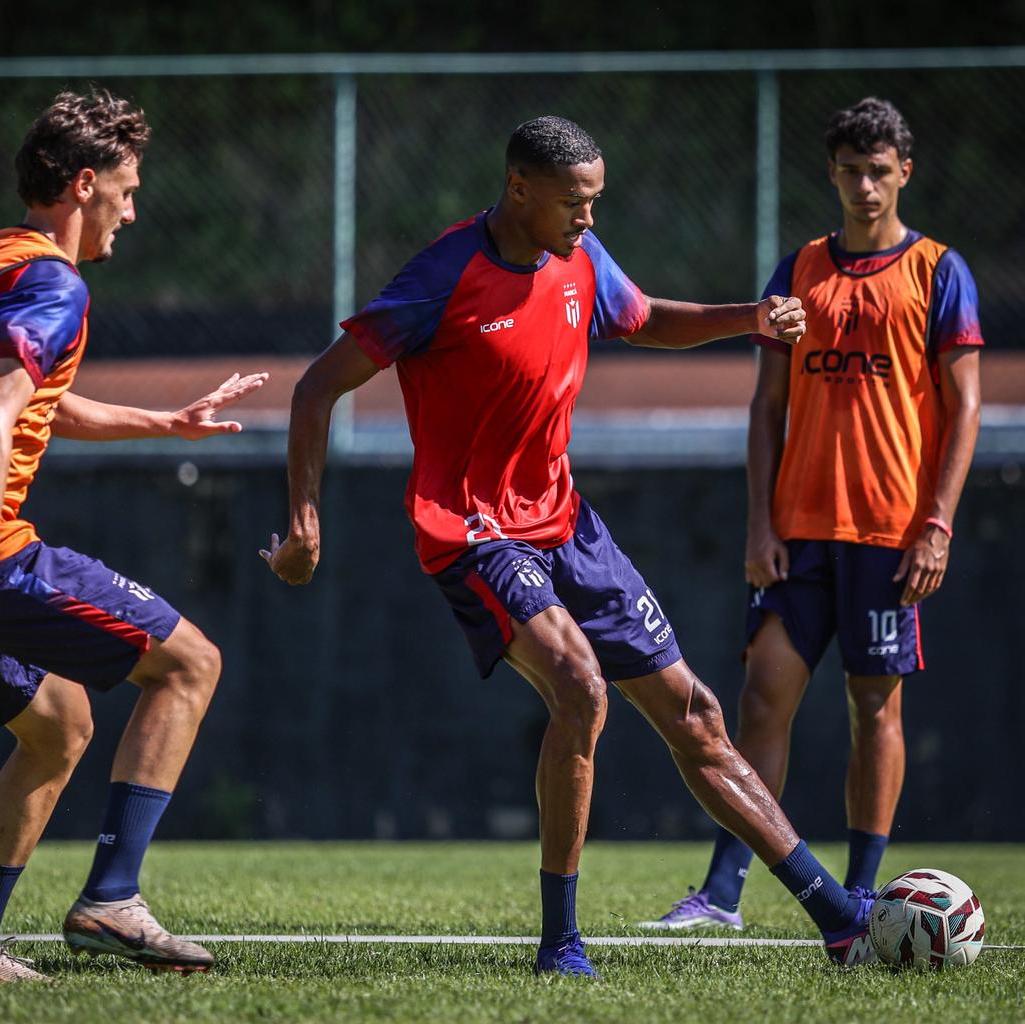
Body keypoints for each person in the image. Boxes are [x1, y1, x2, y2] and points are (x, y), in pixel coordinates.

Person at [264, 115, 881, 977]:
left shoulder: (580, 257)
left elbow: (644, 317)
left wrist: (751, 318)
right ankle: (560, 944)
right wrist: (305, 518)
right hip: (472, 530)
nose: (589, 219)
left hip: (566, 524)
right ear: (520, 189)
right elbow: (315, 388)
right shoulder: (441, 277)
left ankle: (841, 918)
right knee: (580, 687)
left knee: (697, 716)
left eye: (595, 202)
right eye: (575, 204)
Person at [0, 88, 267, 982]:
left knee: (59, 724)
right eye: (126, 189)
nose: (133, 207)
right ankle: (113, 897)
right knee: (192, 662)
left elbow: (35, 402)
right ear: (84, 185)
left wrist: (166, 425)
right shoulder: (53, 277)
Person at [641, 97, 982, 931]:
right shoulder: (797, 270)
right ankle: (722, 894)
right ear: (831, 172)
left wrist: (937, 523)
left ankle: (863, 894)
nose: (865, 184)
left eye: (879, 169)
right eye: (850, 169)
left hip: (891, 535)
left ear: (905, 170)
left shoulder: (939, 270)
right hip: (797, 533)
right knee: (761, 700)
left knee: (876, 708)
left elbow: (965, 406)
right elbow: (765, 408)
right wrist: (759, 522)